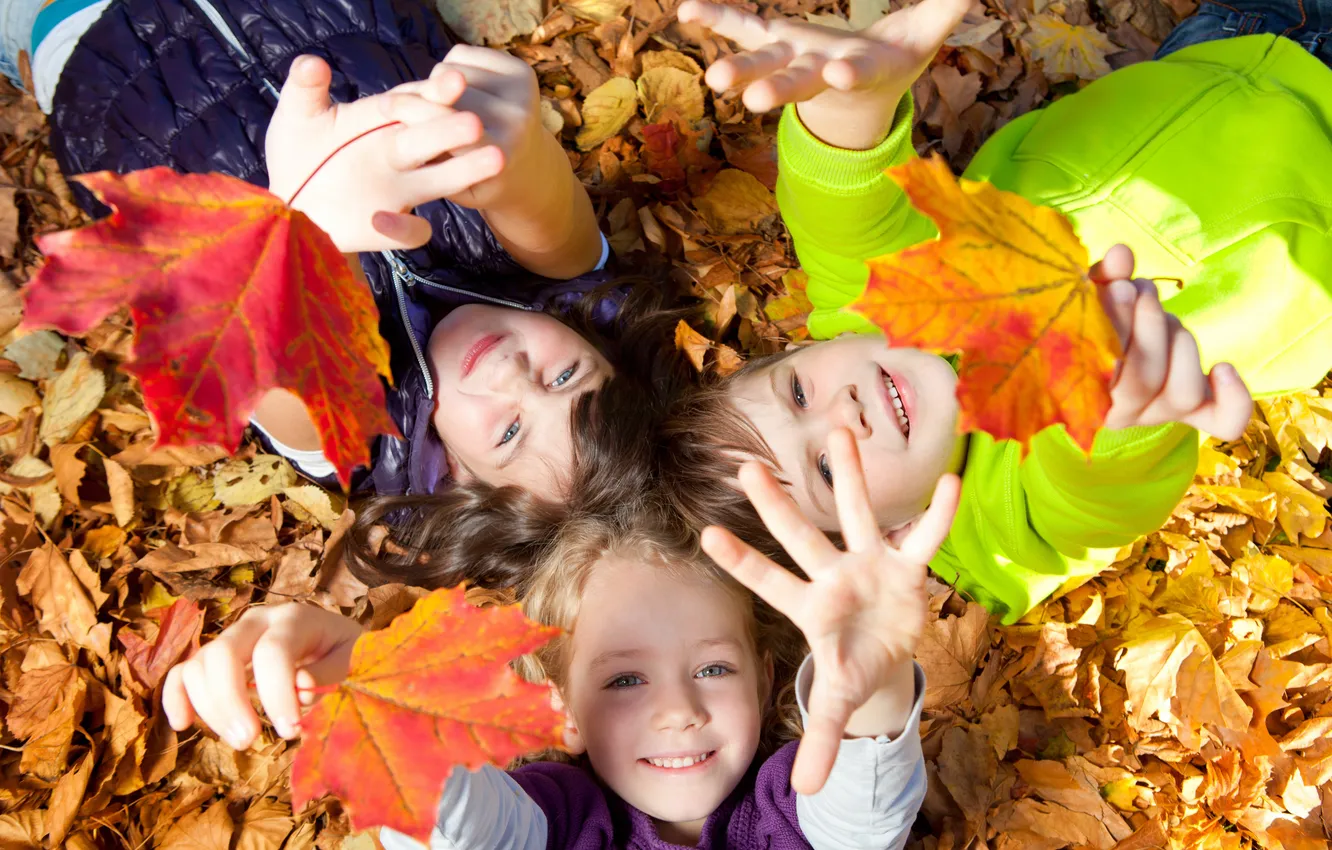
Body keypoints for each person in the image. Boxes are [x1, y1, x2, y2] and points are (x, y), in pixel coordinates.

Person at [661, 0, 1332, 623]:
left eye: (800, 390)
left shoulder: (877, 305)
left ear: (801, 350)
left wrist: (846, 106)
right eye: (827, 470)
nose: (845, 412)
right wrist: (1112, 413)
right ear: (889, 535)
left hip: (1238, 40)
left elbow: (840, 204)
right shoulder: (998, 528)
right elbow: (1087, 501)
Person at [0, 0, 679, 508]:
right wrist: (505, 147)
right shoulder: (551, 279)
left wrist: (309, 233)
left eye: (508, 433)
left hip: (89, 33)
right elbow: (539, 200)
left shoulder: (348, 434)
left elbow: (271, 339)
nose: (514, 374)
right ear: (597, 343)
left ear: (458, 478)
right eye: (565, 378)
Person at [163, 430, 953, 850]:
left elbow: (860, 820)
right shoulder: (567, 823)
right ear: (561, 709)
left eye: (713, 667)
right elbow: (473, 831)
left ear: (764, 677)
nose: (678, 710)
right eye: (623, 680)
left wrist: (874, 680)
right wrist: (379, 696)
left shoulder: (782, 809)